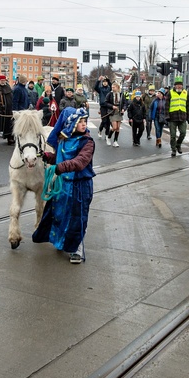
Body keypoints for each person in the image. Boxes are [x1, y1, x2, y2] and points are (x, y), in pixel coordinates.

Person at [33, 107, 96, 264]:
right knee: (59, 215)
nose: (84, 124)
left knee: (77, 219)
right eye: (80, 121)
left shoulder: (87, 142)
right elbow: (60, 158)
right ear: (71, 123)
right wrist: (49, 157)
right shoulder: (63, 141)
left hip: (79, 187)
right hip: (62, 185)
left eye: (85, 121)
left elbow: (80, 162)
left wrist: (60, 168)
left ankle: (77, 251)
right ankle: (61, 242)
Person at [166, 76, 189, 157]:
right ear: (174, 85)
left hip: (182, 117)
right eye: (177, 85)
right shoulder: (170, 93)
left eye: (180, 85)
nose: (179, 86)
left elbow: (188, 106)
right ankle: (173, 149)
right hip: (172, 117)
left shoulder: (185, 93)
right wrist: (167, 116)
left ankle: (178, 144)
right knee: (173, 135)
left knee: (183, 133)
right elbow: (166, 105)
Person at [0, 75, 14, 145]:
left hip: (7, 109)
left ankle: (9, 138)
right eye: (1, 80)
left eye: (4, 80)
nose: (3, 82)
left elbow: (10, 97)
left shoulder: (8, 87)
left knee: (8, 124)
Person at [104, 83, 126, 147]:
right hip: (112, 111)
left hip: (119, 111)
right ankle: (108, 137)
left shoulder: (121, 94)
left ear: (117, 87)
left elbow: (125, 103)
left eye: (114, 87)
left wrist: (123, 109)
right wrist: (112, 106)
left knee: (118, 128)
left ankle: (115, 141)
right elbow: (105, 103)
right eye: (112, 87)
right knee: (114, 127)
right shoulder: (109, 94)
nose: (112, 88)